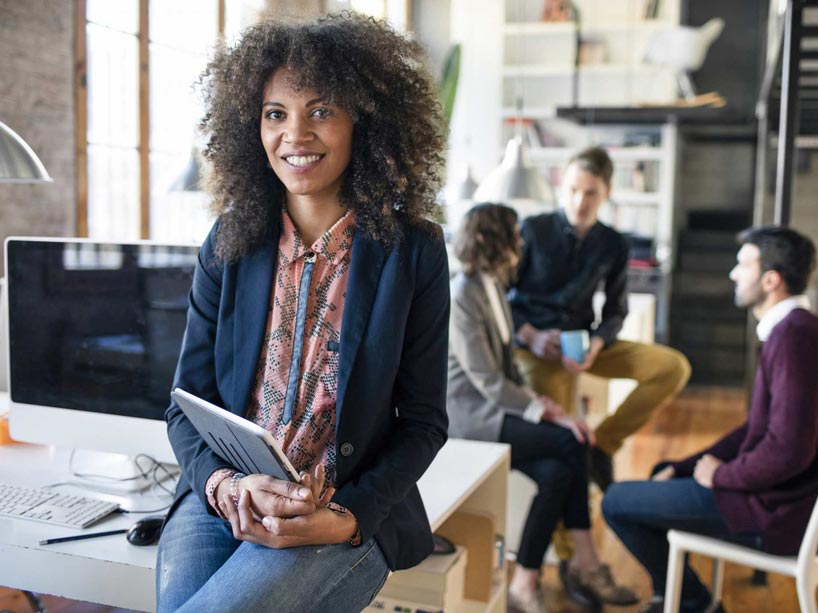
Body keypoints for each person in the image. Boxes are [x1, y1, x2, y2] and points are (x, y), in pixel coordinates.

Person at [156, 14, 450, 613]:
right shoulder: (228, 242)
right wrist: (226, 484)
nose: (296, 134)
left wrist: (346, 518)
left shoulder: (413, 250)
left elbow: (423, 421)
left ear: (362, 122)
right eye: (275, 114)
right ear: (252, 126)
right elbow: (185, 403)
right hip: (231, 495)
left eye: (321, 111)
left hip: (342, 510)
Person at [602, 226, 818, 613]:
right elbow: (757, 429)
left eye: (743, 265)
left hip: (771, 512)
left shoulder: (794, 337)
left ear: (771, 280)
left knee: (615, 501)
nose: (734, 274)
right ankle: (681, 598)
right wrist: (687, 467)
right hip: (769, 499)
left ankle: (695, 604)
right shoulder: (793, 331)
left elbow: (788, 451)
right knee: (664, 469)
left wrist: (717, 476)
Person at [447, 203, 639, 613]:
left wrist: (542, 403)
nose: (520, 243)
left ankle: (525, 581)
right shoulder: (463, 292)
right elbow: (487, 381)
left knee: (558, 472)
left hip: (498, 410)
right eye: (513, 235)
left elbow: (507, 368)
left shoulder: (493, 286)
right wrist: (548, 411)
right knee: (574, 442)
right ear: (488, 239)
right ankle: (586, 562)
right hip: (472, 418)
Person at [508, 146, 691, 491]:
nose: (580, 202)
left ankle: (602, 445)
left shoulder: (614, 244)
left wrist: (597, 342)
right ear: (563, 186)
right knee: (561, 443)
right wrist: (529, 334)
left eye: (590, 193)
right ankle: (565, 544)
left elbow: (616, 310)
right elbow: (501, 296)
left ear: (607, 192)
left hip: (583, 343)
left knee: (672, 367)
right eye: (573, 190)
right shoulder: (532, 229)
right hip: (535, 348)